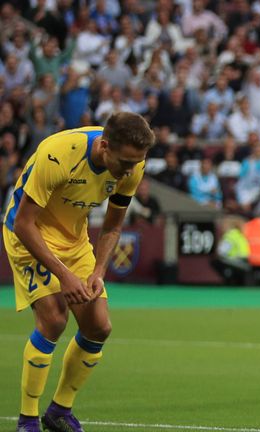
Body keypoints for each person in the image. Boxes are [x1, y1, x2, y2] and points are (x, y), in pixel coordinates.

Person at [4, 112, 155, 432]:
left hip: (74, 239)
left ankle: (59, 411)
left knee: (98, 327)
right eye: (126, 162)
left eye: (137, 163)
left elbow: (113, 226)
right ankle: (27, 419)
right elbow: (24, 223)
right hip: (29, 236)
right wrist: (65, 276)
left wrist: (98, 270)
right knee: (54, 318)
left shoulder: (134, 164)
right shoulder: (57, 154)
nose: (132, 170)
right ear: (104, 146)